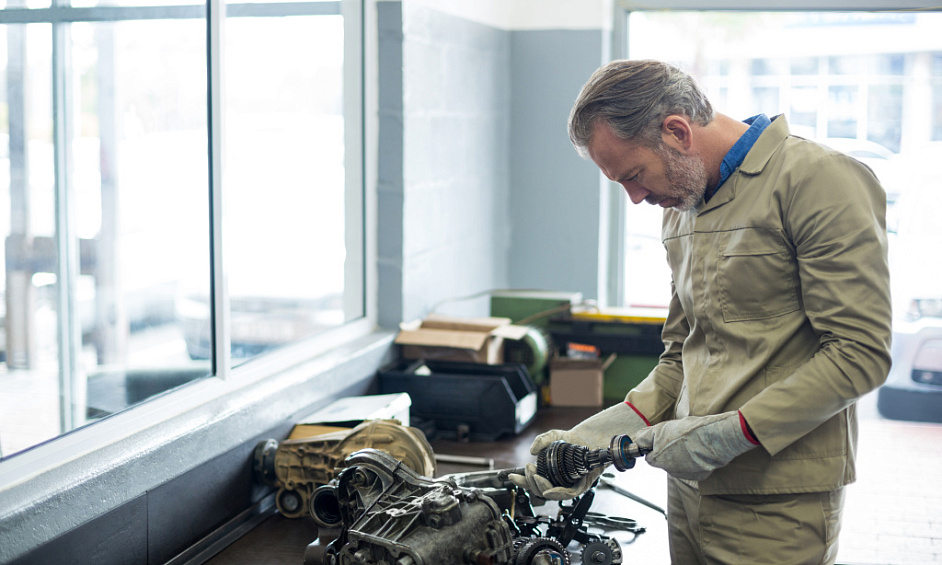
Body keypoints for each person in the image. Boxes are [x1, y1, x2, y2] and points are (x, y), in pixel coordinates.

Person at [509, 59, 892, 564]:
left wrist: (733, 433)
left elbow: (860, 352)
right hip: (688, 489)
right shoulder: (681, 206)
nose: (636, 197)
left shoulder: (817, 180)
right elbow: (680, 355)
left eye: (635, 175)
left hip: (776, 498)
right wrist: (602, 431)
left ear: (677, 131)